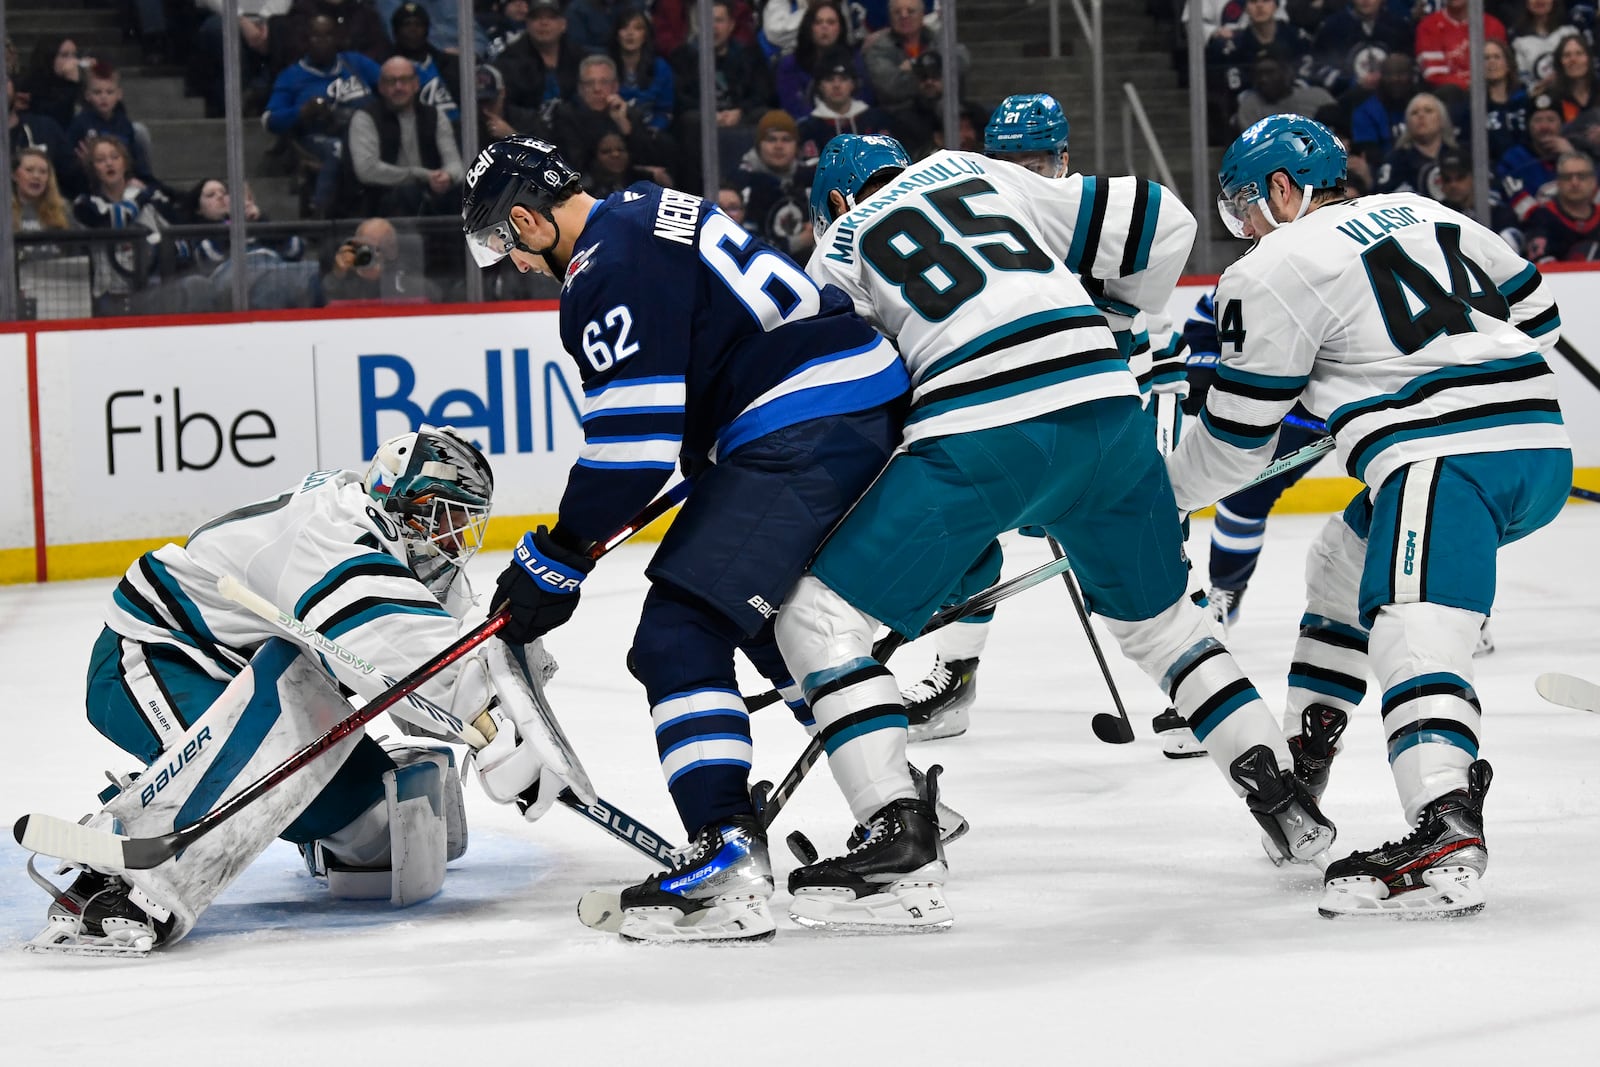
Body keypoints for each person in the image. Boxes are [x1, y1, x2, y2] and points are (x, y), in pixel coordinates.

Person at [784, 130, 1336, 931]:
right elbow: (1165, 219)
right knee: (1165, 630)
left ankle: (896, 833)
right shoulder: (978, 171)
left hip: (980, 436)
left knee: (818, 616)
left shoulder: (839, 243)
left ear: (836, 200)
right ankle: (1284, 798)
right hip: (1111, 418)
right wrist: (1114, 318)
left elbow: (846, 402)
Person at [462, 135, 909, 942]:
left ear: (528, 219)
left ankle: (726, 860)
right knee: (772, 620)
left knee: (677, 632)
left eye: (504, 243)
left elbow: (632, 445)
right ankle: (898, 814)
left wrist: (558, 556)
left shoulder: (600, 270)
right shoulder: (642, 207)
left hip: (806, 415)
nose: (515, 263)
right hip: (853, 395)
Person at [1172, 113, 1570, 917]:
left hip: (1446, 459)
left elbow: (1238, 446)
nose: (1245, 228)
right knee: (1339, 563)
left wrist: (1147, 500)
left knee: (1409, 626)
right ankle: (1305, 755)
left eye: (1246, 206)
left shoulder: (1274, 263)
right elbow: (1542, 317)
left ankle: (1445, 828)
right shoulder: (1428, 210)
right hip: (1540, 451)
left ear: (1284, 190)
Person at [23, 428, 547, 955]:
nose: (454, 537)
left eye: (466, 521)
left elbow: (419, 690)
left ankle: (207, 788)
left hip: (260, 684)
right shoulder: (333, 538)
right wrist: (495, 724)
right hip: (157, 659)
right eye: (445, 516)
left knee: (377, 834)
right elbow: (415, 661)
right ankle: (116, 878)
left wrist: (504, 720)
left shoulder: (401, 545)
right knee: (272, 752)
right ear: (403, 501)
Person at [261, 14, 381, 219]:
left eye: (328, 36)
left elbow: (390, 83)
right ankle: (320, 211)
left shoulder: (355, 63)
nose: (322, 42)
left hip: (364, 133)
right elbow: (269, 120)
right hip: (317, 138)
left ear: (337, 38)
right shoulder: (292, 75)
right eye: (316, 37)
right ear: (306, 40)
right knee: (338, 148)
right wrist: (302, 111)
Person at [345, 56, 464, 217]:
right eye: (391, 81)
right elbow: (367, 170)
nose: (398, 87)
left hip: (433, 201)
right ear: (381, 86)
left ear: (416, 84)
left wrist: (447, 176)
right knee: (407, 195)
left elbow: (455, 164)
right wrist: (422, 175)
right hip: (381, 205)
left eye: (404, 80)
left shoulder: (435, 116)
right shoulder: (365, 117)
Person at [728, 109, 815, 258]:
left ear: (797, 145)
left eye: (786, 139)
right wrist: (798, 242)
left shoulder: (810, 177)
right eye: (771, 139)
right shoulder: (742, 182)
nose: (778, 146)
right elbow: (743, 244)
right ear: (758, 144)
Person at [862, 0, 968, 110]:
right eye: (897, 12)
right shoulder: (878, 48)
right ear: (890, 17)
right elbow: (890, 86)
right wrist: (933, 75)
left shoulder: (937, 38)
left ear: (922, 15)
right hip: (900, 115)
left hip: (944, 110)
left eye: (911, 11)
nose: (904, 16)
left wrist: (913, 66)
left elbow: (961, 60)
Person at [67, 63, 155, 185]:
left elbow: (134, 159)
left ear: (119, 94)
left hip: (123, 180)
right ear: (88, 95)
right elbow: (68, 162)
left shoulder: (123, 123)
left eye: (109, 92)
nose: (104, 97)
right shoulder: (80, 123)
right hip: (91, 183)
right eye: (97, 92)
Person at [796, 52, 897, 160]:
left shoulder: (876, 119)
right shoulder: (809, 128)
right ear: (820, 86)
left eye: (843, 79)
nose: (836, 85)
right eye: (829, 80)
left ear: (853, 84)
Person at [497, 0, 586, 112]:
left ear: (563, 24)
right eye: (536, 18)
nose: (544, 23)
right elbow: (506, 114)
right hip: (523, 128)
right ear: (527, 24)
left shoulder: (580, 58)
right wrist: (514, 131)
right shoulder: (508, 60)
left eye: (551, 17)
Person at [323, 216, 432, 301]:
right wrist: (338, 275)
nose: (373, 253)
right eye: (367, 246)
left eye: (379, 248)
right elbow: (325, 303)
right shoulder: (345, 277)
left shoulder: (403, 277)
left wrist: (383, 277)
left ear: (392, 249)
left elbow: (430, 294)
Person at [1416, 0, 1508, 98]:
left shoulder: (1494, 26)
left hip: (1489, 92)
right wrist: (1468, 84)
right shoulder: (1428, 26)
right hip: (1450, 97)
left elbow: (1500, 69)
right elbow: (1434, 74)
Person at [1525, 149, 1600, 261]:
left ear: (1593, 181)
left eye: (1582, 176)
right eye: (1567, 177)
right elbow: (1539, 262)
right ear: (1558, 182)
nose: (1575, 183)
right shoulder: (1542, 216)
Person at [1375, 91, 1457, 193]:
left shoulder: (1458, 156)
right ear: (1407, 123)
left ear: (1442, 119)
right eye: (1414, 113)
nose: (1421, 115)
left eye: (1428, 111)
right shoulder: (1396, 160)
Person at [610, 7, 675, 131]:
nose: (630, 33)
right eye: (625, 27)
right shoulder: (605, 67)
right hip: (614, 129)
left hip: (649, 132)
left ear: (645, 35)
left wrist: (654, 129)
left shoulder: (660, 68)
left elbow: (664, 110)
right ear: (617, 34)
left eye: (637, 28)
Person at [20, 36, 90, 129]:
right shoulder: (34, 84)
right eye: (65, 55)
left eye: (74, 55)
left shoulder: (76, 81)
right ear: (50, 57)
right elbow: (56, 115)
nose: (72, 61)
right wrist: (71, 84)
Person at [1511, 0, 1583, 88]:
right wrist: (1539, 87)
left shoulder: (1570, 31)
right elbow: (1522, 78)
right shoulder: (1518, 40)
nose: (1539, 1)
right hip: (1539, 98)